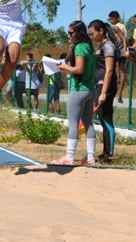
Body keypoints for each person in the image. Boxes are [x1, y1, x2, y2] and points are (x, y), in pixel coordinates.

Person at [52, 21, 97, 165]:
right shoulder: (89, 47)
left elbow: (79, 69)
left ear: (78, 33)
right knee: (89, 123)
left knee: (73, 123)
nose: (69, 35)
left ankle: (69, 157)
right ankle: (90, 157)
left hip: (79, 89)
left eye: (71, 33)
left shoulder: (80, 48)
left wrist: (65, 68)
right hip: (90, 89)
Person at [88, 19, 118, 162]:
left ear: (101, 31)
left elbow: (110, 70)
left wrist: (104, 92)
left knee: (106, 119)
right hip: (98, 85)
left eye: (93, 33)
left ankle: (109, 154)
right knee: (102, 117)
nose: (91, 37)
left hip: (106, 85)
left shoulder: (108, 46)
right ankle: (105, 151)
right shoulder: (101, 46)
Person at [108, 10, 128, 103]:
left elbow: (123, 38)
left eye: (112, 19)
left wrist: (124, 49)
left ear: (117, 18)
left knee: (121, 73)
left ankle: (119, 93)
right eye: (110, 19)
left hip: (120, 51)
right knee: (119, 72)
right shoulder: (119, 26)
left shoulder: (118, 27)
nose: (111, 21)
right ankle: (118, 93)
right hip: (118, 51)